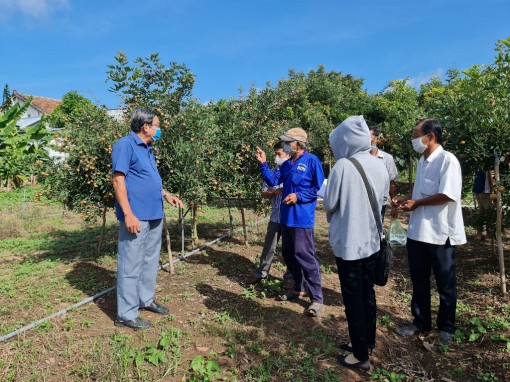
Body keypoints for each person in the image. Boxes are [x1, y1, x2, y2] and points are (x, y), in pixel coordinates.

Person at [324, 116, 389, 371]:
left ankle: (359, 355)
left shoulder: (342, 166)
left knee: (353, 298)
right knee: (367, 293)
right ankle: (366, 341)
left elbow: (330, 203)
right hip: (371, 242)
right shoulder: (379, 164)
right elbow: (383, 200)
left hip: (350, 243)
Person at [393, 119, 466, 345]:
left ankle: (446, 329)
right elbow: (422, 193)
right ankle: (420, 322)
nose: (414, 140)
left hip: (439, 233)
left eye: (416, 135)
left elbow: (448, 194)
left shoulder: (447, 160)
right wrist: (407, 200)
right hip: (418, 232)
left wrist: (418, 203)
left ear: (431, 136)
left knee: (445, 283)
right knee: (419, 280)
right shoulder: (422, 160)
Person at [111, 107, 183, 330]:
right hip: (137, 216)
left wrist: (166, 195)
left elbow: (148, 179)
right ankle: (126, 314)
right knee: (130, 264)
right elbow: (118, 180)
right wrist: (128, 214)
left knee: (150, 261)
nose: (159, 129)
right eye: (157, 125)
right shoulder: (125, 145)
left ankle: (145, 299)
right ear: (146, 127)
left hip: (154, 214)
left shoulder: (148, 148)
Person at [255, 128, 325, 317]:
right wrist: (263, 164)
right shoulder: (286, 164)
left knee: (305, 255)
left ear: (299, 144)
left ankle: (317, 298)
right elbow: (273, 181)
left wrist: (298, 196)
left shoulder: (312, 161)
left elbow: (318, 188)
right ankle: (299, 288)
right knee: (289, 254)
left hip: (302, 217)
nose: (285, 145)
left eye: (288, 142)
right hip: (286, 217)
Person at [248, 141, 294, 287]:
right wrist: (272, 192)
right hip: (275, 216)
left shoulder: (293, 170)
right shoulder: (274, 171)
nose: (276, 157)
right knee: (269, 247)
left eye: (278, 154)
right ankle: (261, 273)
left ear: (288, 154)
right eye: (275, 154)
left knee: (289, 249)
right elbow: (265, 190)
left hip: (289, 218)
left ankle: (290, 277)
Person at [369, 125, 399, 221]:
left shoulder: (387, 158)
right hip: (362, 202)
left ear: (376, 139)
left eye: (370, 137)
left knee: (377, 230)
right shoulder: (359, 158)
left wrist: (394, 205)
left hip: (380, 203)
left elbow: (391, 183)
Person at [472, 170, 493, 240]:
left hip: (487, 192)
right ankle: (479, 233)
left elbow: (492, 178)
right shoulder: (480, 165)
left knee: (488, 214)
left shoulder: (492, 164)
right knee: (480, 213)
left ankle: (488, 234)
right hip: (480, 190)